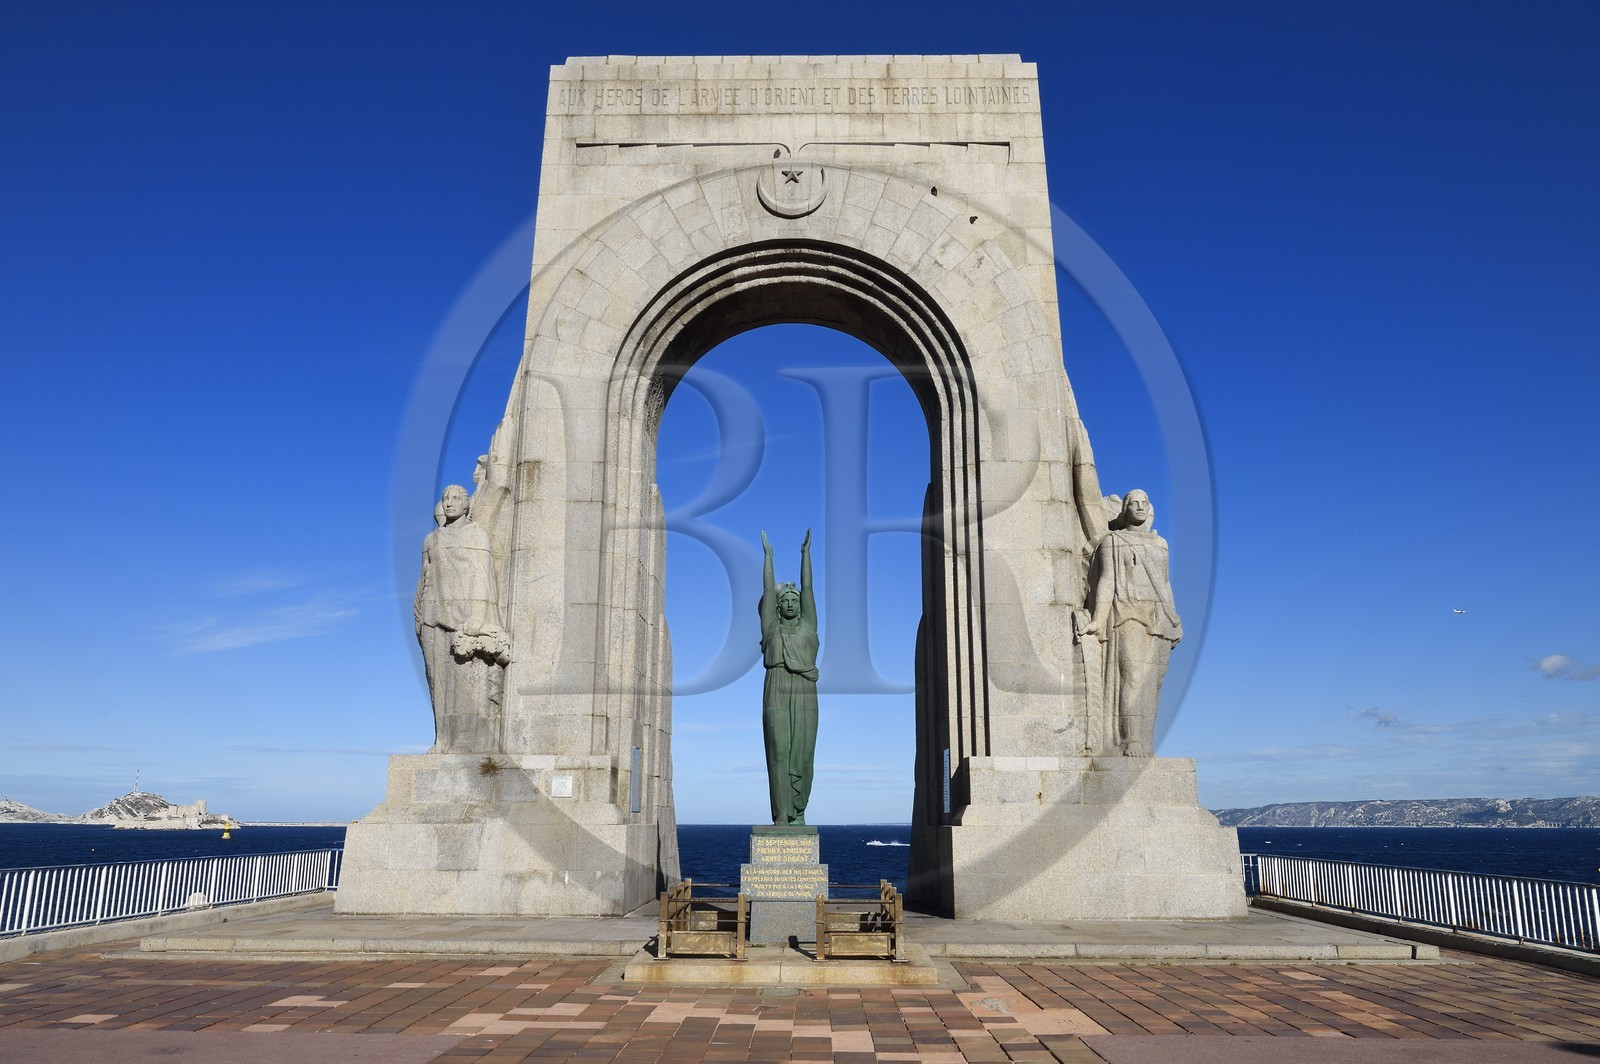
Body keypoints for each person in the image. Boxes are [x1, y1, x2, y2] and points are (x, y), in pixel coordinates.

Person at [1078, 490, 1182, 756]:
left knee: (1153, 683)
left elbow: (1165, 583)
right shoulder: (1112, 541)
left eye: (1144, 503)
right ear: (1125, 509)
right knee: (1132, 675)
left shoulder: (1161, 544)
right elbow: (1106, 581)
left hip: (1159, 616)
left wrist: (1174, 618)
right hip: (1127, 612)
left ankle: (1146, 740)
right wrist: (1098, 620)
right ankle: (1131, 739)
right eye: (1134, 503)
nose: (1140, 507)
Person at [414, 484, 508, 752]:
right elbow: (424, 579)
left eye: (456, 498)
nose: (449, 503)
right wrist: (420, 618)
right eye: (446, 498)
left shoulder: (478, 537)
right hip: (433, 617)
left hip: (466, 619)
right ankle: (442, 740)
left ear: (467, 504)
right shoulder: (430, 540)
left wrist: (478, 616)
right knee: (437, 682)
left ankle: (469, 743)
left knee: (467, 684)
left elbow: (483, 577)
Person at [759, 529, 819, 825]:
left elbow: (808, 588)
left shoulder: (808, 626)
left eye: (795, 600)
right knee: (779, 751)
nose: (791, 603)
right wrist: (768, 558)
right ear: (779, 607)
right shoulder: (771, 628)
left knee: (803, 754)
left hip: (804, 690)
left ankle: (799, 810)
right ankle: (782, 813)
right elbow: (769, 591)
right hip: (777, 686)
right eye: (786, 601)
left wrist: (805, 555)